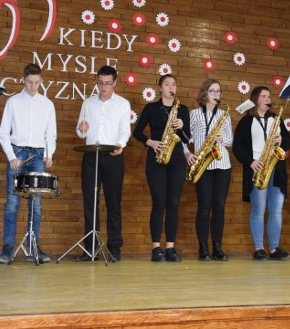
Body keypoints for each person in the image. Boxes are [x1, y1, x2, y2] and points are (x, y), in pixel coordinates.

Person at [0, 63, 57, 264]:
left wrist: (49, 155)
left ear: (41, 81)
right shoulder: (13, 102)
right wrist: (11, 156)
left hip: (38, 156)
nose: (33, 86)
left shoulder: (47, 104)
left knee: (36, 204)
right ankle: (7, 249)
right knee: (12, 203)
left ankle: (33, 247)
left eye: (37, 82)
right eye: (30, 82)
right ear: (23, 80)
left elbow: (51, 134)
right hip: (18, 154)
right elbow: (4, 133)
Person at [75, 65, 131, 262]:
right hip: (91, 156)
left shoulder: (123, 104)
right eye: (100, 83)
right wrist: (82, 130)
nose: (103, 87)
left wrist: (120, 144)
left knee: (113, 202)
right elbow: (80, 132)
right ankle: (91, 248)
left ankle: (114, 247)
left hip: (113, 155)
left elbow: (125, 130)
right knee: (90, 202)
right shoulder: (88, 103)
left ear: (115, 82)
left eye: (108, 83)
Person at [133, 74, 191, 262]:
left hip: (176, 160)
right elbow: (136, 132)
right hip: (156, 158)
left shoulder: (182, 109)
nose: (171, 87)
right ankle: (156, 247)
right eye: (167, 84)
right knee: (159, 203)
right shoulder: (151, 108)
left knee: (173, 204)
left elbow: (186, 138)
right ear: (160, 88)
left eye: (173, 84)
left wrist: (182, 127)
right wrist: (150, 142)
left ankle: (170, 248)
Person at [232, 86, 290, 261]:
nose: (267, 99)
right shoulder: (246, 121)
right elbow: (237, 147)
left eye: (269, 96)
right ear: (255, 99)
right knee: (258, 209)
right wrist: (251, 162)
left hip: (277, 168)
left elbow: (288, 142)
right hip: (257, 168)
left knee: (276, 210)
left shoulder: (276, 119)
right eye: (263, 96)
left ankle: (274, 248)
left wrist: (282, 139)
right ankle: (259, 248)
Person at [184, 79, 234, 261]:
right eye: (212, 91)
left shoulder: (224, 115)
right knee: (204, 207)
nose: (215, 94)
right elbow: (183, 138)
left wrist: (222, 139)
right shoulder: (195, 114)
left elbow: (231, 141)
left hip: (222, 165)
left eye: (218, 91)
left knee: (219, 207)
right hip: (202, 165)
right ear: (204, 93)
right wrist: (187, 154)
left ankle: (217, 247)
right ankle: (203, 248)